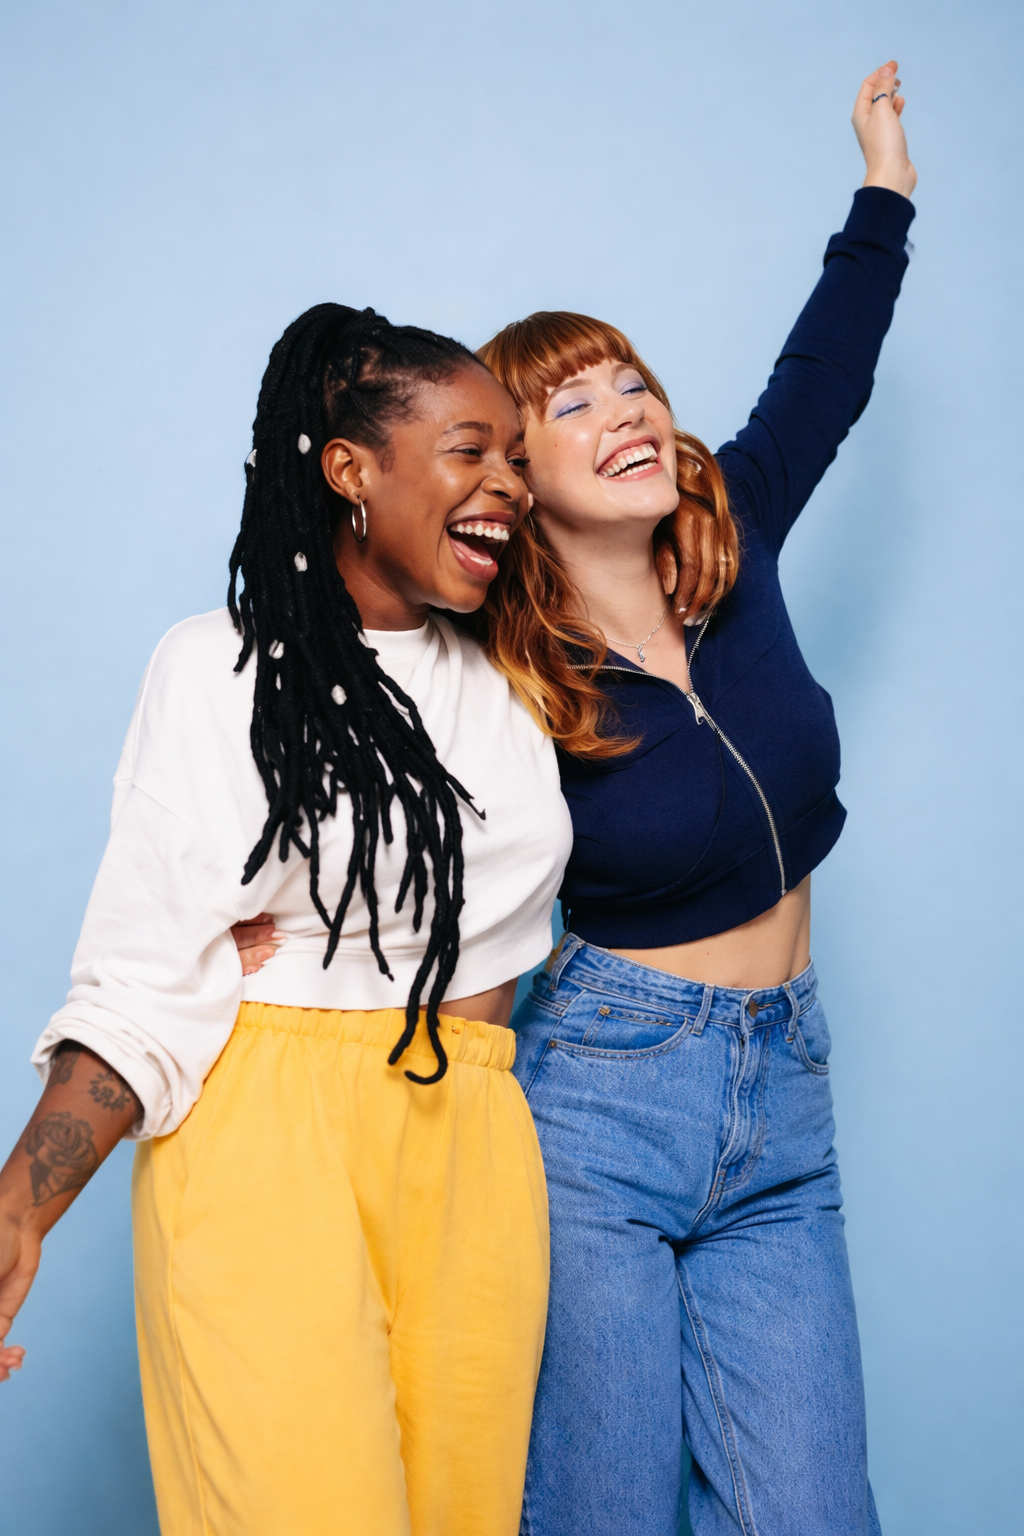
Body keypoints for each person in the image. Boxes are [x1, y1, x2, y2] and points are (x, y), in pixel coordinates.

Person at [0, 306, 574, 1536]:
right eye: (471, 449)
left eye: (518, 458)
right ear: (351, 469)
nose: (507, 486)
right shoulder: (220, 669)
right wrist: (18, 1210)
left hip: (474, 1132)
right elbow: (149, 977)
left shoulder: (513, 678)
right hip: (267, 1129)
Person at [465, 61, 916, 1536]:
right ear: (516, 475)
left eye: (635, 382)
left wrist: (883, 191)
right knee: (603, 1513)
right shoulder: (503, 679)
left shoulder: (739, 538)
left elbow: (828, 368)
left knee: (814, 1515)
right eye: (572, 401)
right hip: (599, 1106)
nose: (627, 411)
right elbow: (381, 810)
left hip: (786, 1091)